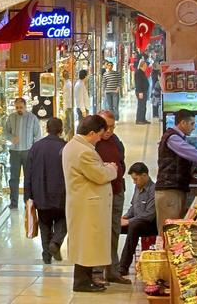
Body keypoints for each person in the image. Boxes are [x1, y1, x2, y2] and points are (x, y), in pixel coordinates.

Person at [62, 115, 118, 293]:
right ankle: (81, 283)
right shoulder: (83, 151)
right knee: (86, 245)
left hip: (84, 203)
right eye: (100, 134)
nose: (101, 138)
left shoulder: (74, 145)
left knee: (85, 245)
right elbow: (100, 175)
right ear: (92, 132)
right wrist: (111, 169)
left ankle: (86, 280)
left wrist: (104, 167)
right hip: (87, 206)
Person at [155, 109, 197, 232]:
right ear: (182, 123)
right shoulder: (173, 138)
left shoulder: (177, 137)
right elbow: (194, 154)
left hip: (175, 189)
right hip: (169, 191)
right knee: (169, 231)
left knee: (175, 230)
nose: (194, 128)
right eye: (192, 124)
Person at [24, 117, 67, 264]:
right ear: (61, 130)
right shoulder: (65, 147)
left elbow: (28, 172)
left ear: (47, 129)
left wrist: (28, 195)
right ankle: (55, 243)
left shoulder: (36, 147)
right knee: (63, 219)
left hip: (40, 193)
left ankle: (46, 255)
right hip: (61, 193)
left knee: (44, 223)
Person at [94, 110, 130, 284]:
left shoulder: (115, 141)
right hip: (99, 194)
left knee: (114, 231)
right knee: (100, 232)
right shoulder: (92, 142)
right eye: (106, 127)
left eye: (112, 127)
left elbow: (121, 161)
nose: (109, 131)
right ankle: (97, 271)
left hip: (116, 192)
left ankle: (113, 270)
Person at [119, 162, 158, 276]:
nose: (134, 182)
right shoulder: (137, 187)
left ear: (145, 175)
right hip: (135, 220)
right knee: (113, 226)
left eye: (136, 179)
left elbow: (150, 214)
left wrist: (129, 221)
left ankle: (123, 266)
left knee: (133, 227)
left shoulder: (153, 190)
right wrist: (125, 216)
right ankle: (107, 264)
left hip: (148, 224)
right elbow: (133, 207)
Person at [3, 98, 42, 209]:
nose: (19, 109)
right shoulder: (11, 118)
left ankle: (27, 202)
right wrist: (11, 138)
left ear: (25, 106)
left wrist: (34, 151)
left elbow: (38, 136)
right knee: (14, 178)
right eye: (17, 107)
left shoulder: (32, 118)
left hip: (28, 152)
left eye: (21, 107)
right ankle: (13, 203)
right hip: (14, 152)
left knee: (28, 178)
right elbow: (6, 132)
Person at [62, 70, 74, 138]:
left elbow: (69, 96)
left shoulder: (68, 84)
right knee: (67, 119)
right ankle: (68, 133)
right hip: (68, 104)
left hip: (68, 105)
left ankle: (68, 134)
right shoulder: (67, 83)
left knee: (68, 120)